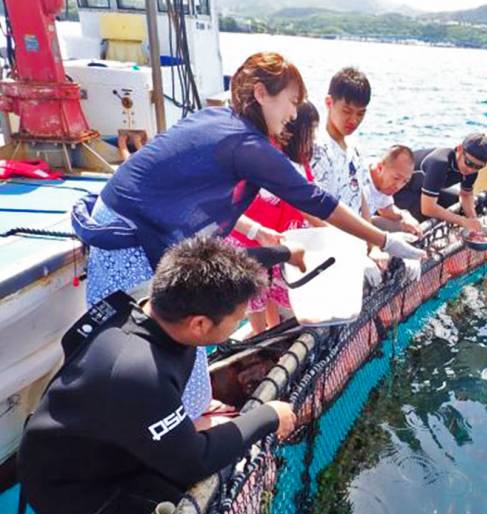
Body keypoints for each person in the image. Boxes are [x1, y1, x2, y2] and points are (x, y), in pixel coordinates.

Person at [71, 52, 423, 423]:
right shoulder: (247, 143)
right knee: (146, 334)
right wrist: (382, 242)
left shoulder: (222, 120)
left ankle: (192, 407)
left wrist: (256, 230)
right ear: (260, 93)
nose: (294, 112)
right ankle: (178, 422)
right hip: (130, 236)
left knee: (179, 327)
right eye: (290, 100)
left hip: (135, 220)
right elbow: (316, 200)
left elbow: (192, 193)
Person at [17, 237, 298, 514]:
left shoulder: (160, 298)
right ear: (200, 324)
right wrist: (269, 415)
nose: (236, 323)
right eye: (235, 319)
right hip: (73, 489)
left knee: (210, 498)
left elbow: (230, 262)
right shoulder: (139, 372)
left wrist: (288, 252)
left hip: (112, 450)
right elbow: (194, 461)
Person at [228, 101, 322, 332]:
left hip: (278, 239)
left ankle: (274, 327)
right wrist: (338, 232)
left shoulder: (303, 164)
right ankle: (262, 336)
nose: (314, 141)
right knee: (256, 295)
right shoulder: (276, 165)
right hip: (251, 240)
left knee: (275, 287)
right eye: (310, 133)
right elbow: (308, 207)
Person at [392, 132, 487, 232]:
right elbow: (427, 208)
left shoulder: (471, 170)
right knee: (425, 215)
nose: (471, 170)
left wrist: (473, 219)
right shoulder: (439, 163)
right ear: (459, 149)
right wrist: (463, 221)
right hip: (399, 192)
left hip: (422, 190)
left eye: (479, 167)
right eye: (469, 163)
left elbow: (466, 195)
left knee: (476, 207)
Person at [311, 66, 371, 216]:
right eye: (347, 111)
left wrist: (371, 238)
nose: (354, 120)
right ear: (329, 102)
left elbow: (361, 197)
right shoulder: (316, 147)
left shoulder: (355, 147)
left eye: (360, 113)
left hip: (353, 235)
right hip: (326, 235)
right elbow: (312, 207)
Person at [360, 144, 422, 236]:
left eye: (405, 181)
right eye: (396, 178)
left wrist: (405, 216)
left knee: (409, 228)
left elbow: (386, 209)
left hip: (363, 221)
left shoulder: (384, 184)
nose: (398, 186)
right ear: (380, 168)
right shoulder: (359, 178)